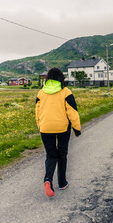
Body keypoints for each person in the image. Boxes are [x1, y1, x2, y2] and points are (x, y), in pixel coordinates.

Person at [35, 67, 81, 197]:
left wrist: (41, 126)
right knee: (62, 154)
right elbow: (72, 111)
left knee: (50, 155)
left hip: (45, 128)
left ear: (48, 78)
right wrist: (76, 129)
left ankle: (48, 180)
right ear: (61, 77)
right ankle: (62, 182)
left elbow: (37, 112)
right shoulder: (66, 91)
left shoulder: (41, 92)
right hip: (62, 128)